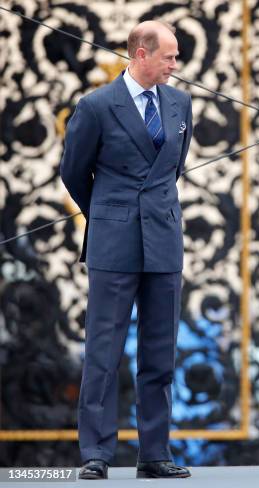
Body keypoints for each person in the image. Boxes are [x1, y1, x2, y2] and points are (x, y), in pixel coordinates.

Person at [60, 20, 193, 479]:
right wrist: (108, 212)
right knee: (103, 351)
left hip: (164, 241)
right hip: (114, 244)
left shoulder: (180, 103)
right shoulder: (96, 106)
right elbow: (74, 172)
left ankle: (154, 454)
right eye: (168, 56)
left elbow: (172, 168)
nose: (175, 65)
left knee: (160, 354)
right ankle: (95, 453)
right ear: (140, 54)